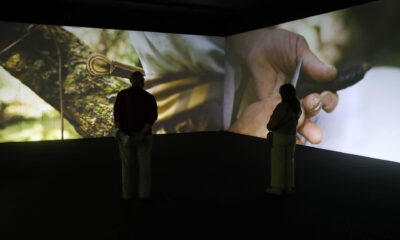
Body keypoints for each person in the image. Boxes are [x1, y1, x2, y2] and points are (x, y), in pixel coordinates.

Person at [113, 71, 158, 204]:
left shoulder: (123, 95)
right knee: (143, 169)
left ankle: (128, 196)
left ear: (131, 80)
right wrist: (141, 134)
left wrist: (120, 133)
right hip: (142, 137)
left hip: (129, 136)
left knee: (128, 168)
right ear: (141, 82)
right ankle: (143, 196)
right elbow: (152, 118)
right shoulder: (148, 97)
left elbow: (117, 118)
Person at [265, 83, 301, 196]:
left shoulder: (282, 107)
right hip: (292, 136)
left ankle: (277, 188)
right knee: (289, 162)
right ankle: (287, 186)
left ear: (284, 94)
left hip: (280, 136)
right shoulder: (297, 106)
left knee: (278, 162)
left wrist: (270, 127)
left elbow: (271, 124)